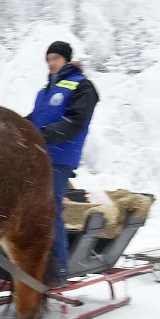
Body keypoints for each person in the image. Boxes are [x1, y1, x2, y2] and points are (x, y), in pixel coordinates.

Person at [27, 40, 99, 284]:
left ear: (66, 60)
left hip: (60, 157)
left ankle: (58, 270)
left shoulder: (83, 87)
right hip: (38, 154)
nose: (51, 63)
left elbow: (75, 123)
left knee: (49, 208)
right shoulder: (45, 90)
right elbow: (33, 120)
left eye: (55, 58)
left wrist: (41, 135)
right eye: (48, 59)